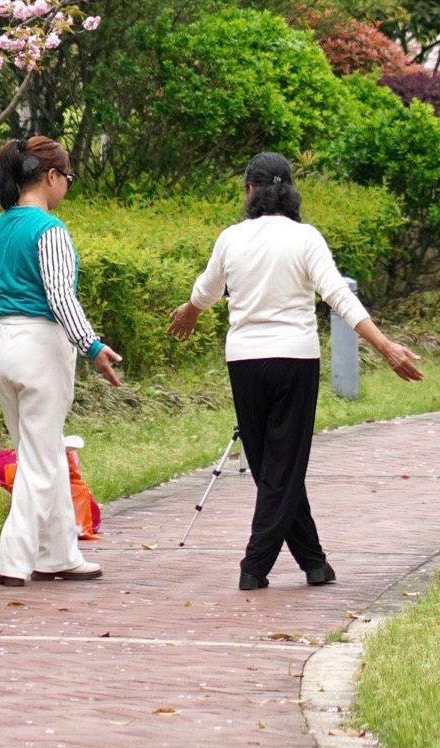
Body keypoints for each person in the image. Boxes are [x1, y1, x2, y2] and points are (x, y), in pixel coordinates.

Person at [168, 151, 424, 592]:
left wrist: (190, 311)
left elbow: (206, 289)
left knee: (274, 466)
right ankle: (255, 565)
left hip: (244, 363)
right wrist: (383, 345)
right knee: (281, 468)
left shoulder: (231, 238)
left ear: (250, 190)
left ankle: (313, 561)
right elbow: (339, 297)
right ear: (289, 192)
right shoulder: (307, 238)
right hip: (294, 361)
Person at [0, 133, 122, 588]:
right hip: (41, 347)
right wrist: (93, 346)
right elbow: (60, 296)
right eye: (67, 176)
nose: (67, 185)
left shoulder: (0, 225)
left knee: (40, 451)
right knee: (42, 462)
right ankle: (13, 558)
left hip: (3, 343)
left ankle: (59, 553)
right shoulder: (50, 231)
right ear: (50, 176)